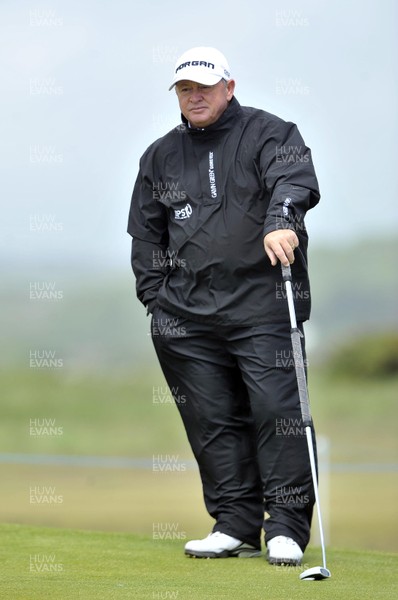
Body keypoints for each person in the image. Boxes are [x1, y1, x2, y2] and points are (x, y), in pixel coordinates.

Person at [127, 47, 321, 565]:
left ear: (228, 87)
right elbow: (146, 234)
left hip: (264, 307)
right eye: (185, 89)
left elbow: (294, 181)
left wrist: (281, 218)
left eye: (204, 87)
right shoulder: (160, 155)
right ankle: (234, 522)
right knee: (212, 421)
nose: (195, 96)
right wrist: (154, 299)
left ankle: (285, 526)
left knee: (278, 414)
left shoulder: (270, 133)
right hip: (186, 318)